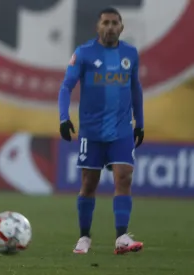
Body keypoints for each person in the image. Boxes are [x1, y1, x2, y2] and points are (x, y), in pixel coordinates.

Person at [58, 7, 145, 255]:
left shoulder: (130, 54)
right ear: (98, 27)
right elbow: (66, 87)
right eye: (105, 22)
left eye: (114, 23)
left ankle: (121, 237)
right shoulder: (84, 53)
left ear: (121, 27)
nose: (110, 27)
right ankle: (84, 236)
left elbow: (135, 89)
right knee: (89, 184)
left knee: (124, 177)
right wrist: (64, 118)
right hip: (92, 131)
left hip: (121, 129)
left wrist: (139, 122)